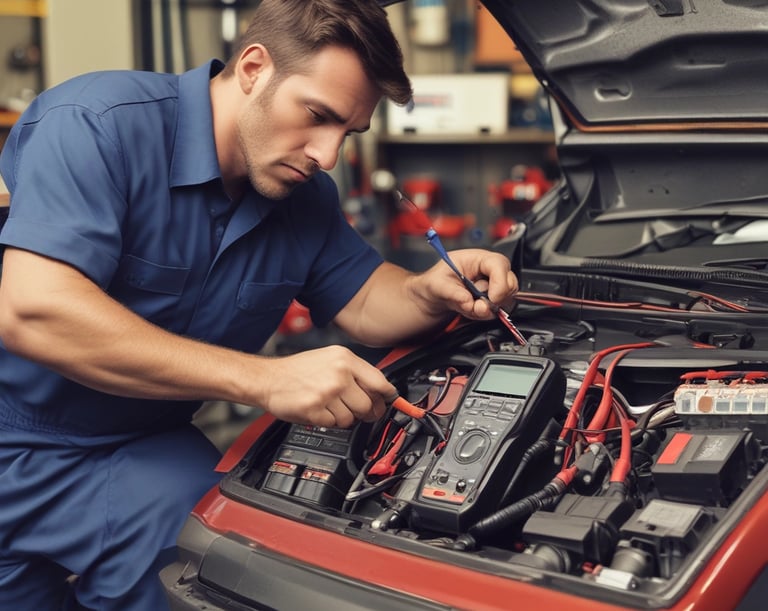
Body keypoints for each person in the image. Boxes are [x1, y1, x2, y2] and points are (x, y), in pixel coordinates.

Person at [0, 0, 519, 609]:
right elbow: (35, 312)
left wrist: (429, 290)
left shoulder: (303, 198)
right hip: (12, 434)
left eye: (346, 134)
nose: (327, 155)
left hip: (138, 447)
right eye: (317, 116)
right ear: (253, 68)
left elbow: (366, 301)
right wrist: (266, 380)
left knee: (213, 552)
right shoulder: (97, 122)